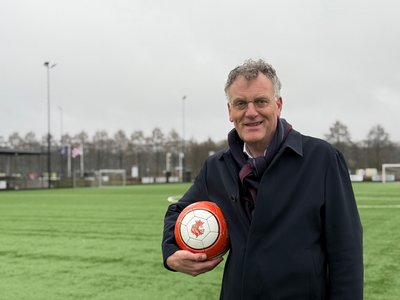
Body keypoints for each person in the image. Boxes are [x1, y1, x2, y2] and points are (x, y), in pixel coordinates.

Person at [162, 59, 363, 299]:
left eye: (260, 101)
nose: (250, 112)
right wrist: (171, 254)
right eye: (240, 103)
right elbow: (178, 211)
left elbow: (346, 252)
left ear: (278, 105)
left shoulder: (323, 159)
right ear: (230, 111)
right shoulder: (216, 167)